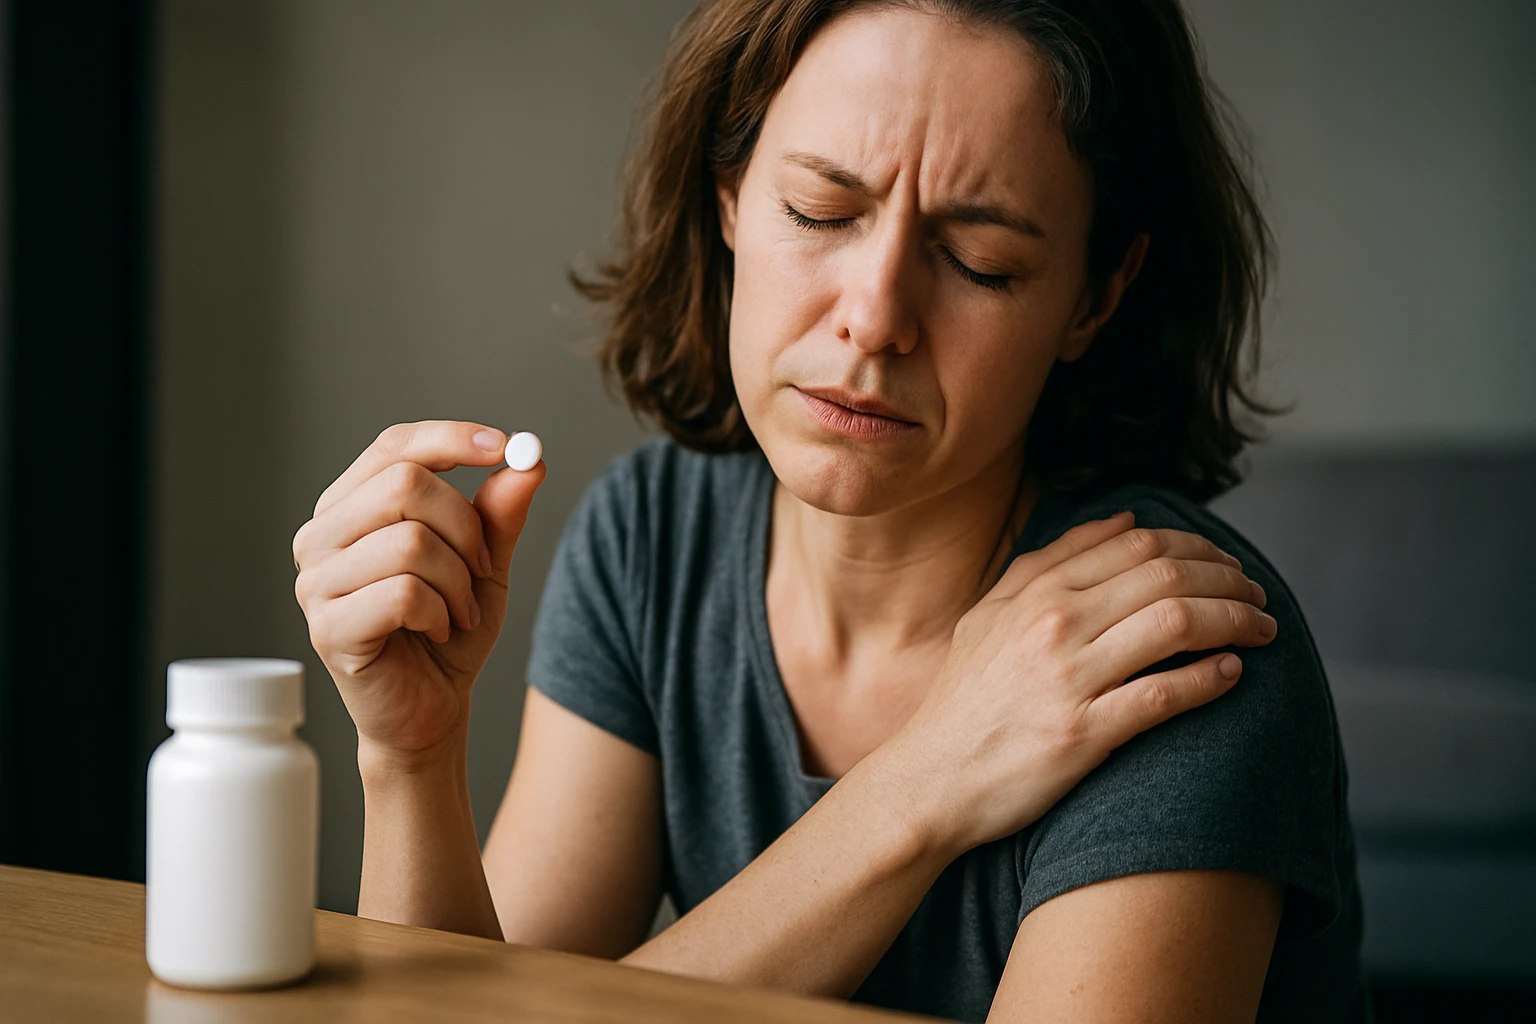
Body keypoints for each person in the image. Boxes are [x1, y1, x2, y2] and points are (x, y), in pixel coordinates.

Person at [291, 1, 1367, 1020]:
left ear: (1095, 294)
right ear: (728, 192)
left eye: (979, 261)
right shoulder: (655, 536)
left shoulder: (1174, 652)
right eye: (820, 209)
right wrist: (411, 759)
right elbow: (469, 1010)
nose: (875, 317)